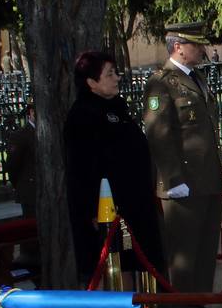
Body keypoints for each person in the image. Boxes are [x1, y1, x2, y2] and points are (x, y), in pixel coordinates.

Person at [142, 22, 222, 308]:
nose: (201, 50)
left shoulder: (195, 78)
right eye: (195, 45)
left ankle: (198, 306)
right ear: (178, 46)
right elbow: (159, 133)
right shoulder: (162, 83)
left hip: (205, 179)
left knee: (204, 250)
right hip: (183, 182)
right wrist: (173, 179)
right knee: (184, 251)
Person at [63, 51, 166, 282]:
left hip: (135, 205)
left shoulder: (117, 109)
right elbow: (82, 170)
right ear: (91, 82)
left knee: (140, 261)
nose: (117, 77)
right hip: (109, 210)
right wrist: (93, 210)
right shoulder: (83, 115)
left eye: (116, 72)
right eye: (109, 74)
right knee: (117, 265)